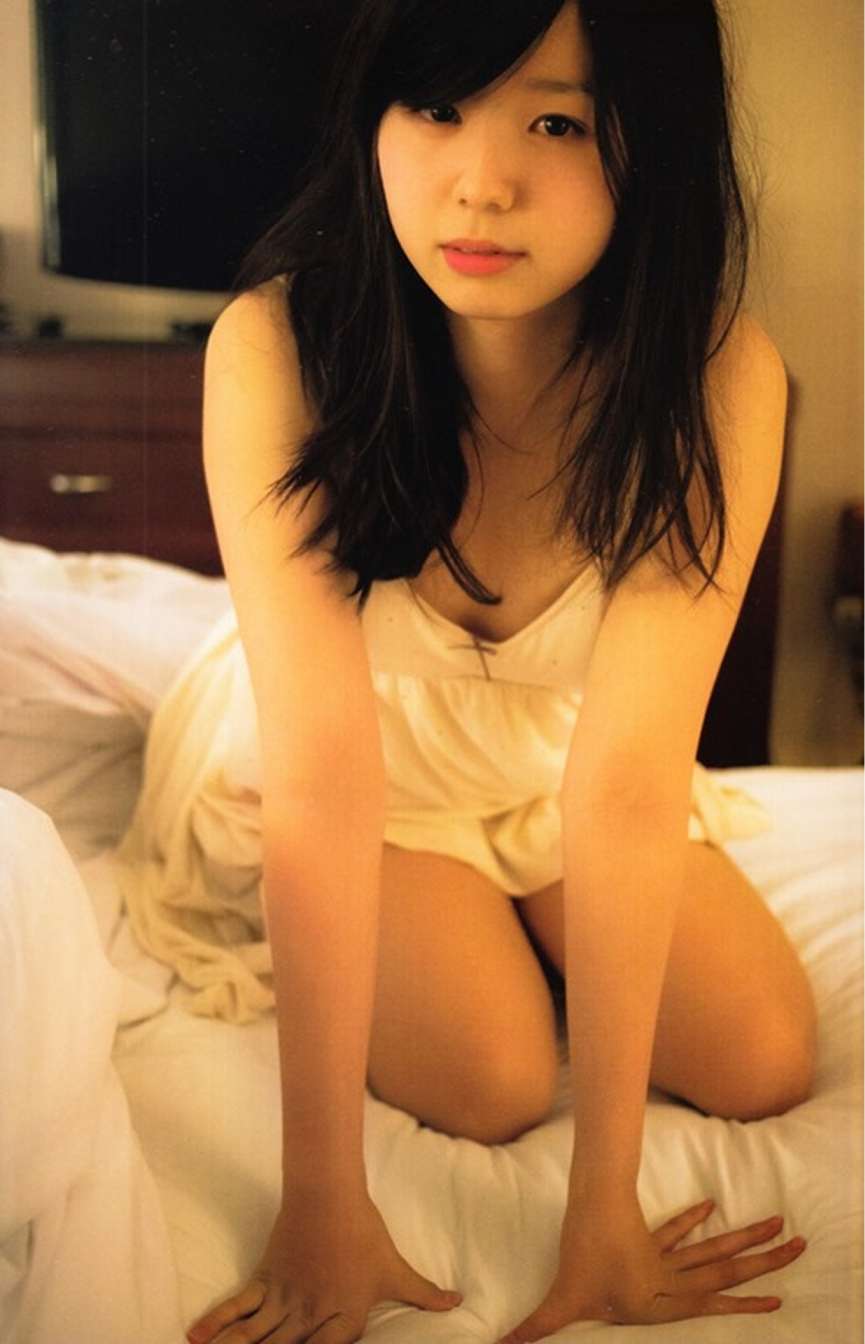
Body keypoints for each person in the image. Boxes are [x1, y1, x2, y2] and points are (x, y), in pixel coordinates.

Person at [186, 2, 817, 1340]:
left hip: (555, 767)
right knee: (491, 1084)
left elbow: (630, 783)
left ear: (651, 141)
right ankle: (479, 938)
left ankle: (517, 923)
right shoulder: (279, 344)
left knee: (763, 1060)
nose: (479, 182)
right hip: (358, 771)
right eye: (433, 109)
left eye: (556, 123)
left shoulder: (716, 377)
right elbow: (321, 780)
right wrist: (322, 1201)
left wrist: (603, 1216)